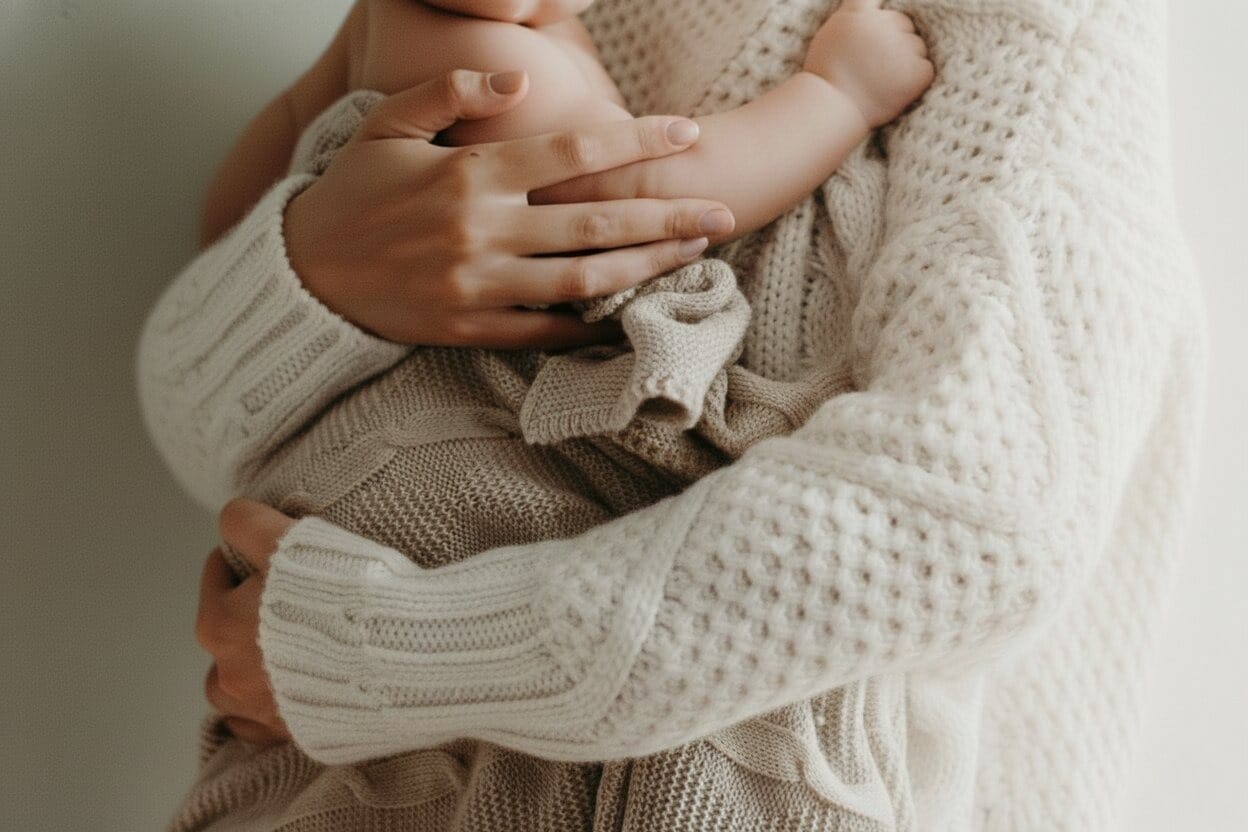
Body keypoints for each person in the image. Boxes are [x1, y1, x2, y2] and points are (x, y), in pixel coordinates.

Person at [137, 0, 1209, 829]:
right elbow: (214, 440)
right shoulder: (498, 38)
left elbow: (977, 519)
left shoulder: (1041, 41)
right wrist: (315, 266)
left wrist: (379, 654)